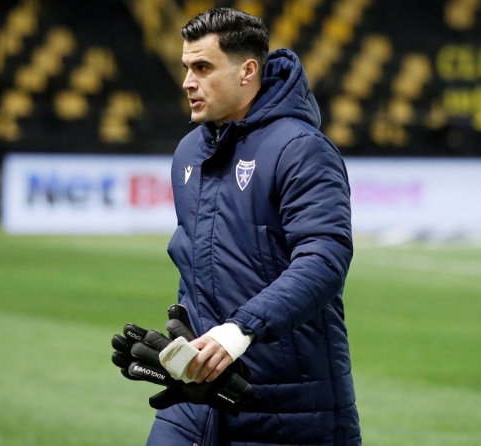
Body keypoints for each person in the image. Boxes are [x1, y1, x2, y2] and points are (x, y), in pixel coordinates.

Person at [148, 7, 361, 446]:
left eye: (203, 68)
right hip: (198, 400)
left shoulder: (301, 148)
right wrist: (185, 353)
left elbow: (324, 260)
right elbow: (199, 271)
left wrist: (238, 331)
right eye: (186, 67)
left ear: (247, 71)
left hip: (290, 410)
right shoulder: (188, 152)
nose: (188, 82)